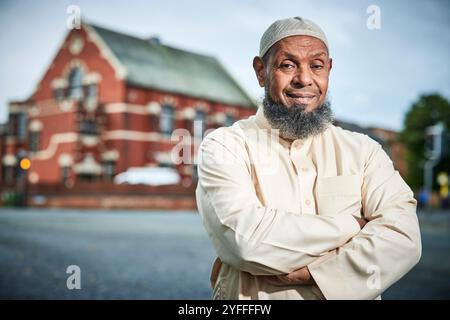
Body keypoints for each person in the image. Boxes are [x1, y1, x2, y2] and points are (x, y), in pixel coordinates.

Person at [195, 17, 422, 300]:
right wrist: (353, 226)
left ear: (329, 69)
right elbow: (245, 241)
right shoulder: (225, 146)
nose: (304, 79)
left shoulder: (363, 150)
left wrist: (317, 276)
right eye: (287, 65)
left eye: (316, 65)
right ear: (261, 72)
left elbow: (403, 238)